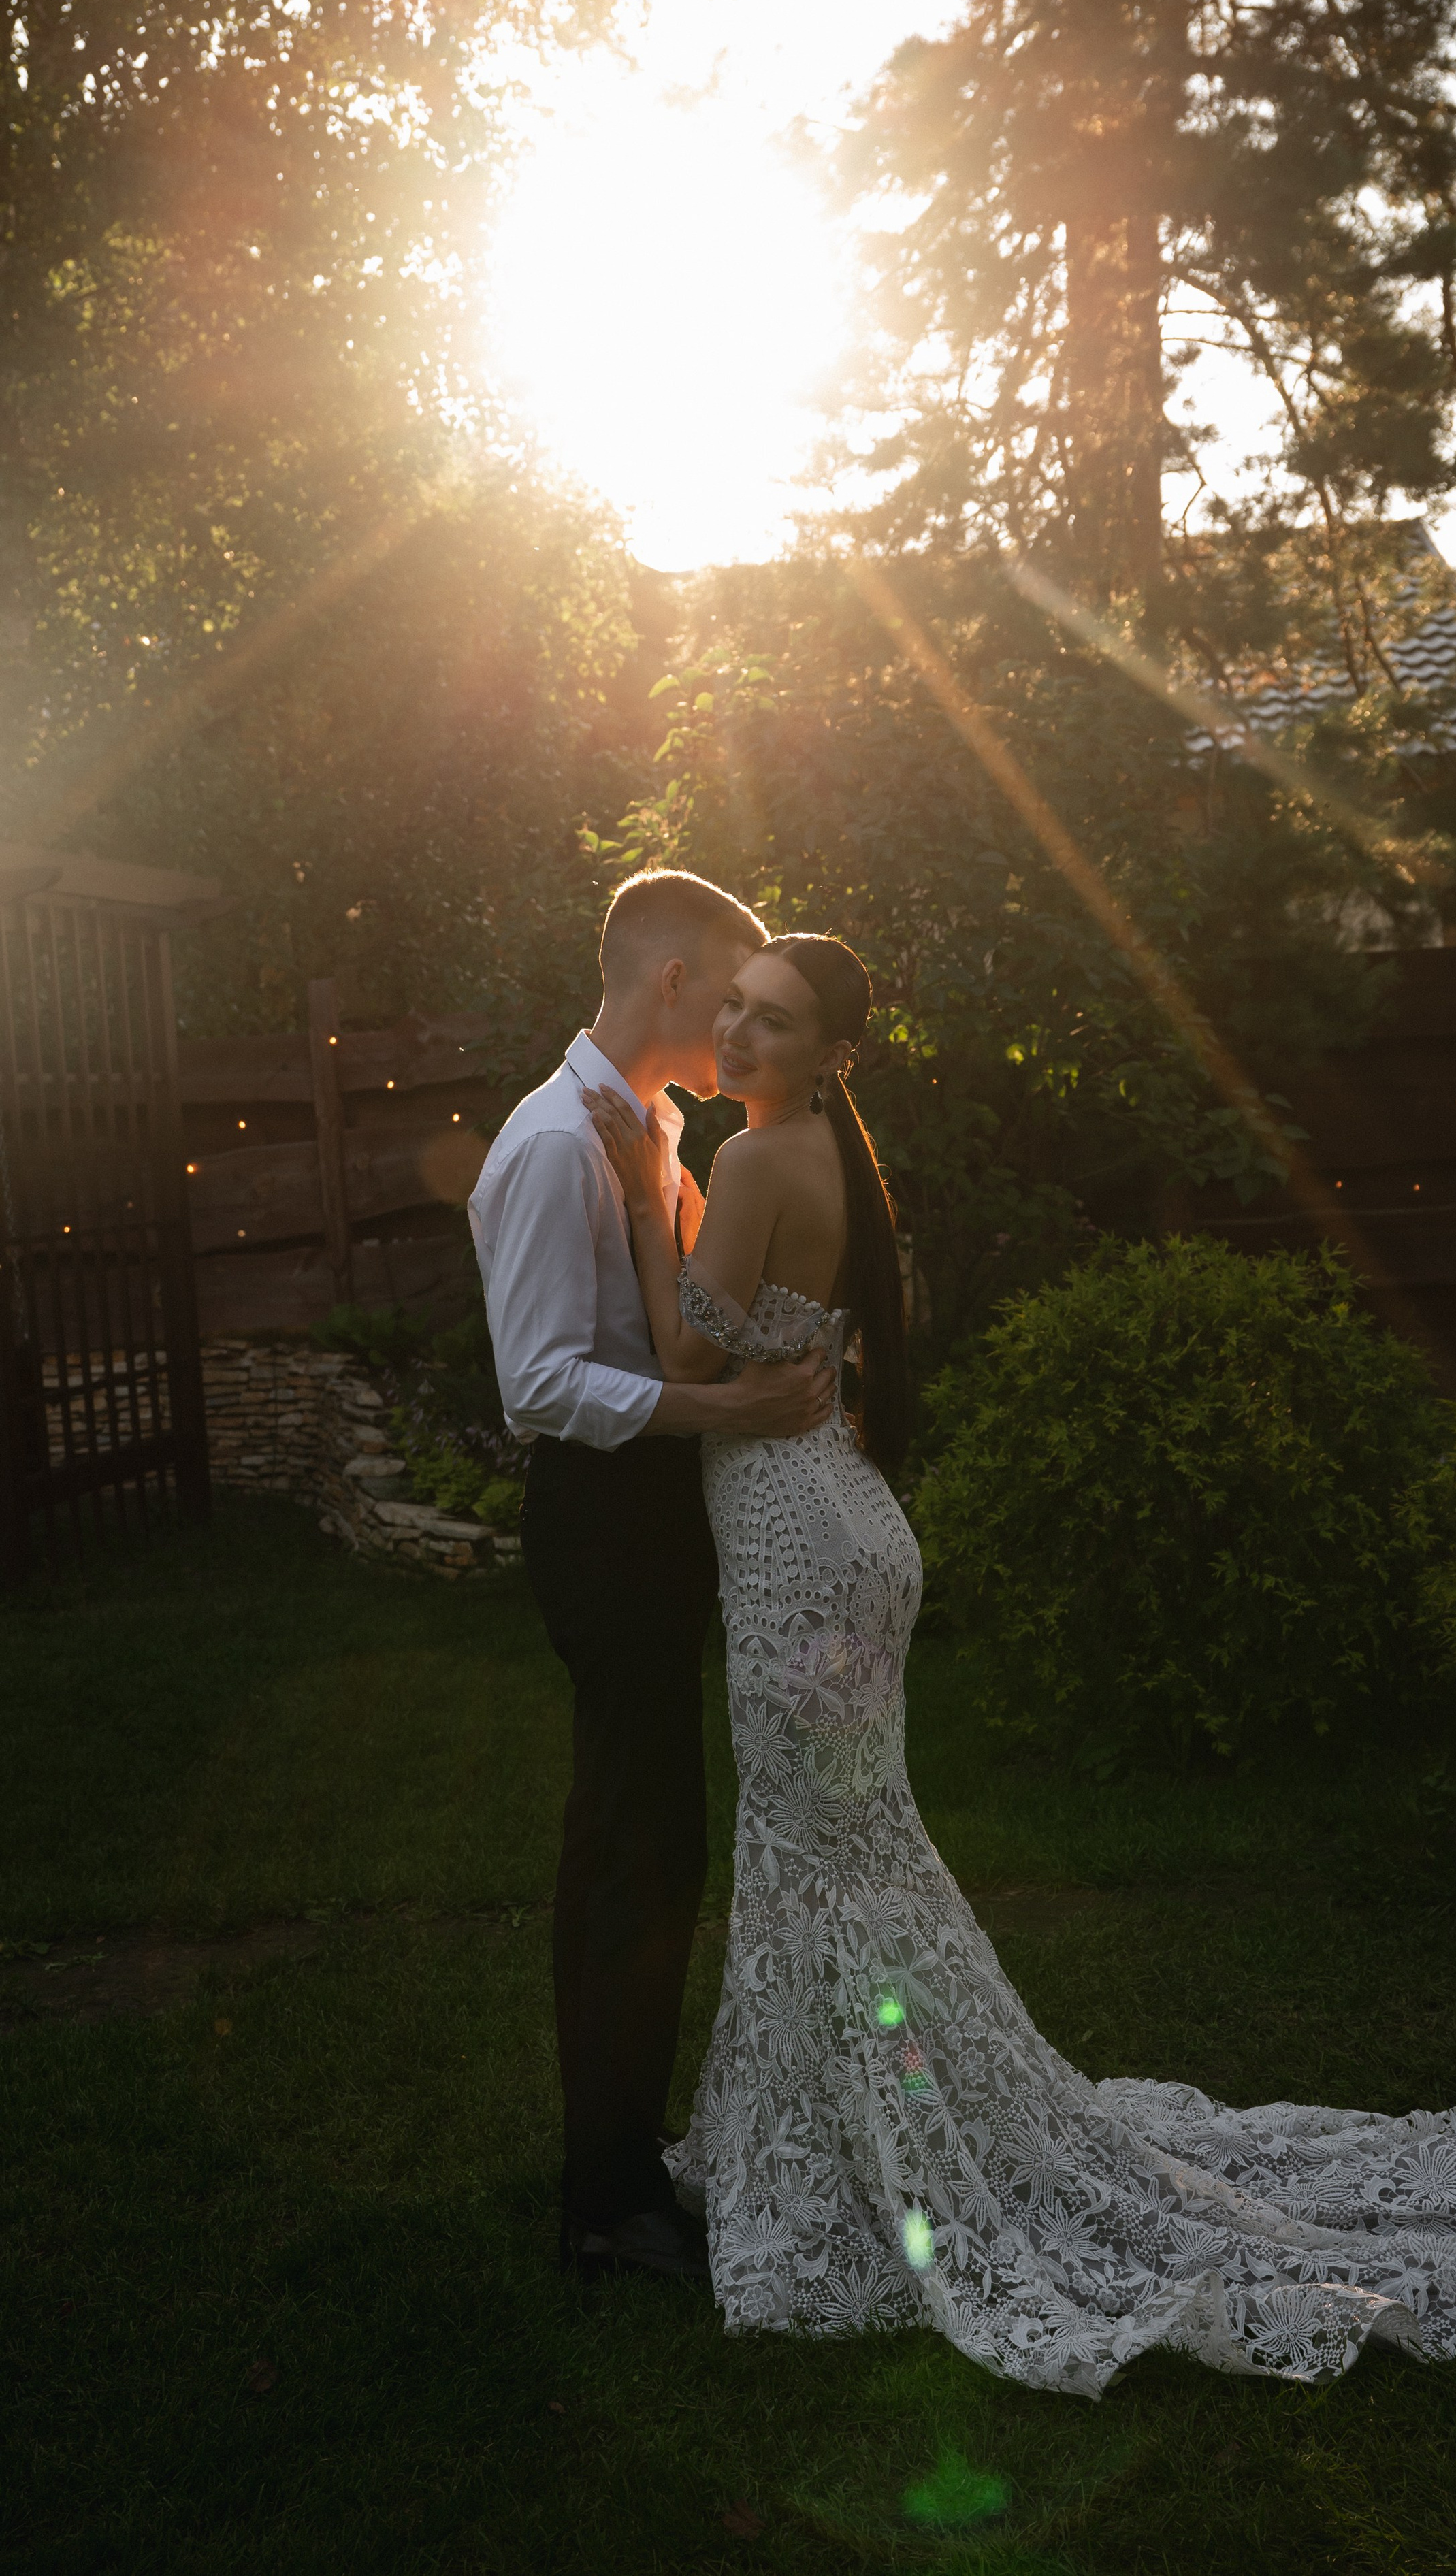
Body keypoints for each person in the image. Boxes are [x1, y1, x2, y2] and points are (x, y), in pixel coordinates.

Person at [581, 926, 1456, 2396]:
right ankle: (855, 2133)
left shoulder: (760, 1157)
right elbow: (758, 1329)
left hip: (794, 1540)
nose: (743, 1040)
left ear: (832, 1053)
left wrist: (645, 1199)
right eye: (739, 1015)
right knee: (844, 1854)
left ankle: (874, 2166)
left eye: (774, 1023)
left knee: (811, 1852)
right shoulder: (821, 1153)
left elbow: (681, 1361)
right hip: (846, 1523)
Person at [468, 869, 837, 2288]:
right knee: (631, 1846)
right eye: (730, 993)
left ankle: (622, 2160)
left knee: (653, 1840)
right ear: (675, 982)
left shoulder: (657, 1132)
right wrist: (727, 1416)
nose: (739, 1026)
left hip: (656, 1515)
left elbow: (686, 1319)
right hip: (603, 1521)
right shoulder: (556, 1143)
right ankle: (606, 2201)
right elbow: (542, 1381)